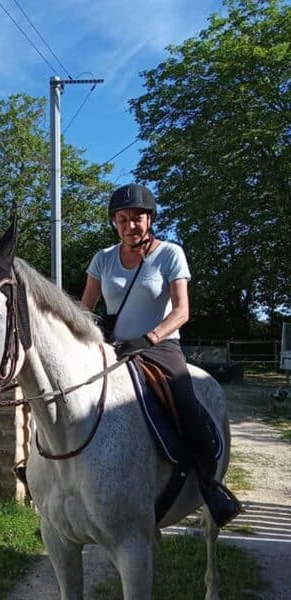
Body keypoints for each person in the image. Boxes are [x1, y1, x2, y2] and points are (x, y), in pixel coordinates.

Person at [81, 183, 240, 527]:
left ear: (149, 218)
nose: (128, 225)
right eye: (121, 219)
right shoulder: (103, 259)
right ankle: (49, 472)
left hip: (161, 346)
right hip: (114, 347)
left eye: (135, 218)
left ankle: (209, 486)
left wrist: (148, 338)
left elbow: (182, 311)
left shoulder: (170, 254)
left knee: (185, 403)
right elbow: (84, 309)